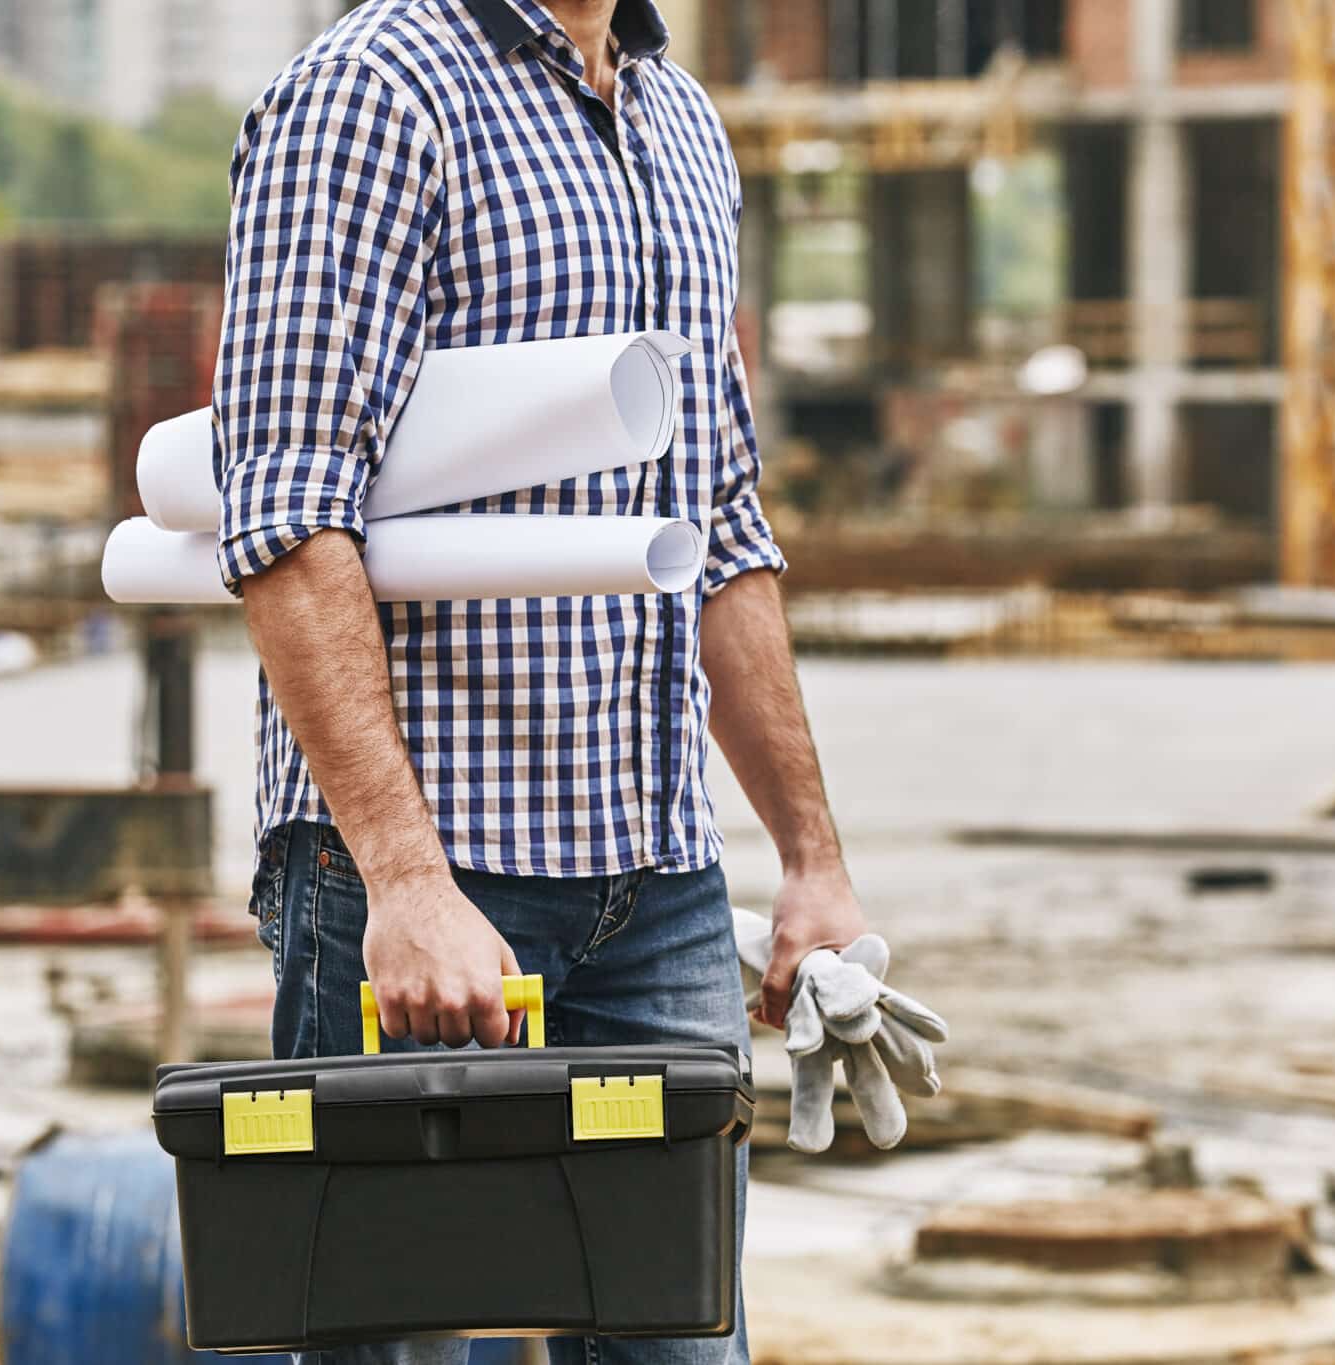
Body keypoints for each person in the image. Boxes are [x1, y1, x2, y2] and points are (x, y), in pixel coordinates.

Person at [216, 3, 873, 1361]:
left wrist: (812, 860)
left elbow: (722, 524)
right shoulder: (371, 93)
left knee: (682, 1344)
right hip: (421, 890)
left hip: (660, 900)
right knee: (383, 1340)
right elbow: (286, 514)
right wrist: (404, 882)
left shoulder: (680, 126)